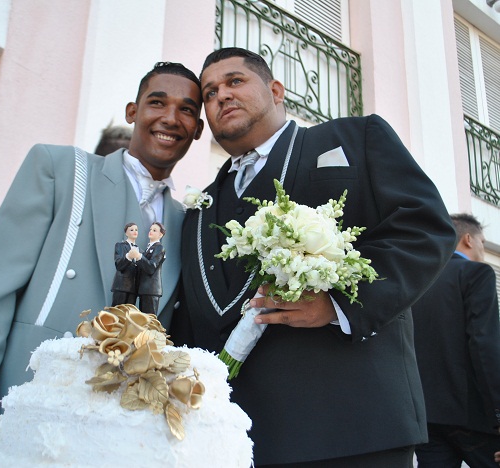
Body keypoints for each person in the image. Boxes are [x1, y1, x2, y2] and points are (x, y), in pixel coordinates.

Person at [170, 47, 456, 466]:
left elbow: (425, 228)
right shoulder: (200, 207)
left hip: (351, 426)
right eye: (210, 93)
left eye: (234, 81)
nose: (221, 97)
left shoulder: (355, 139)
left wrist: (337, 304)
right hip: (234, 437)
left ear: (276, 89)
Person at [0, 61, 203, 467]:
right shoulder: (60, 169)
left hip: (121, 427)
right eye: (157, 102)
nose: (171, 117)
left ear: (198, 129)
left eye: (187, 109)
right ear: (133, 111)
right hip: (31, 398)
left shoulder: (186, 221)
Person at [412, 213, 500, 467]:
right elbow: (484, 345)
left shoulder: (417, 279)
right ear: (469, 239)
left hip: (426, 417)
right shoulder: (477, 273)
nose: (483, 250)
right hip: (473, 416)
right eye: (484, 242)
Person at [131, 222, 166, 315]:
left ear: (160, 234)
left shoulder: (159, 248)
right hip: (144, 289)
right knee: (143, 318)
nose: (151, 231)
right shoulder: (148, 248)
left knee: (149, 320)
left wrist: (139, 256)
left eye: (154, 230)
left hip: (151, 289)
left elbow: (151, 267)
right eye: (150, 229)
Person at [111, 222, 140, 306]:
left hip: (133, 288)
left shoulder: (140, 250)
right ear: (126, 233)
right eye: (131, 230)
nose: (134, 231)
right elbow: (119, 265)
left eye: (136, 230)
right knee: (117, 312)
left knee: (129, 314)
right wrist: (128, 256)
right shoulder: (120, 245)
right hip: (121, 286)